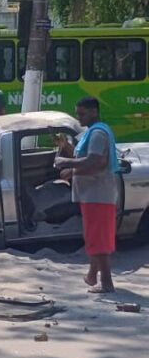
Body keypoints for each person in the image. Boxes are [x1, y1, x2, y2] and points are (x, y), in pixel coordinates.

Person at [55, 97, 120, 293]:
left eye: (82, 113)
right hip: (92, 195)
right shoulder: (92, 132)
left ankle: (107, 283)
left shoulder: (98, 133)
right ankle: (92, 276)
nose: (79, 117)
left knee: (98, 239)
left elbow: (96, 161)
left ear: (94, 112)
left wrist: (67, 164)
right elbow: (85, 158)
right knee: (94, 236)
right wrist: (67, 148)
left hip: (97, 195)